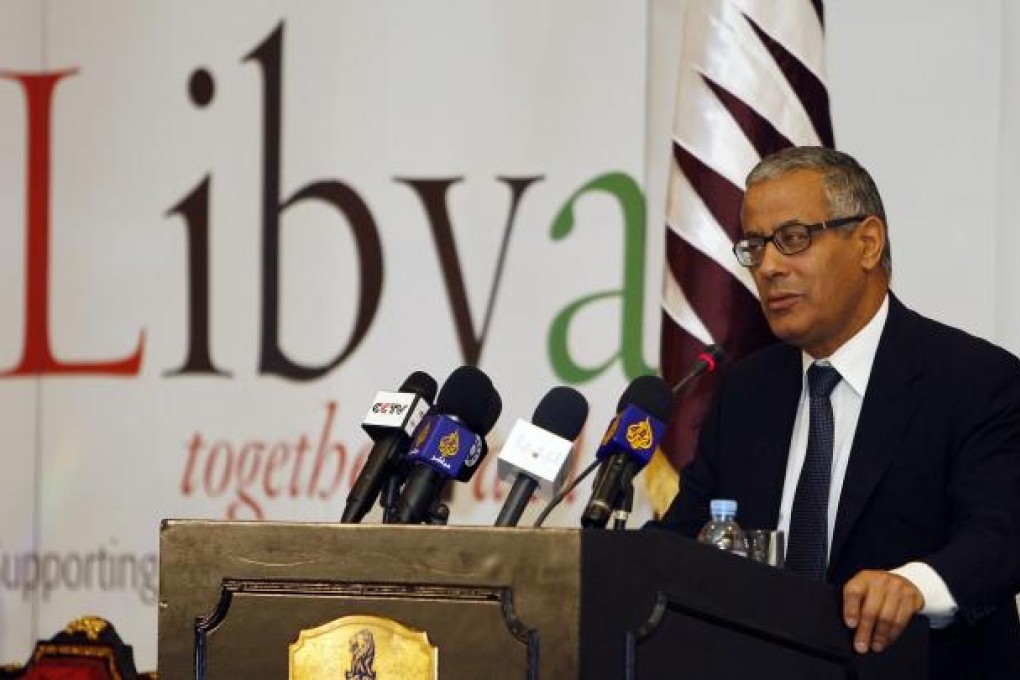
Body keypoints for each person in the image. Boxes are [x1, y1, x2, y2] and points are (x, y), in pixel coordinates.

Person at [655, 146, 1020, 679]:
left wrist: (913, 587)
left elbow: (998, 535)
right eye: (755, 247)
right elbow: (684, 538)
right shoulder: (746, 392)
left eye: (793, 239)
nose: (770, 267)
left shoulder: (975, 381)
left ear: (868, 243)